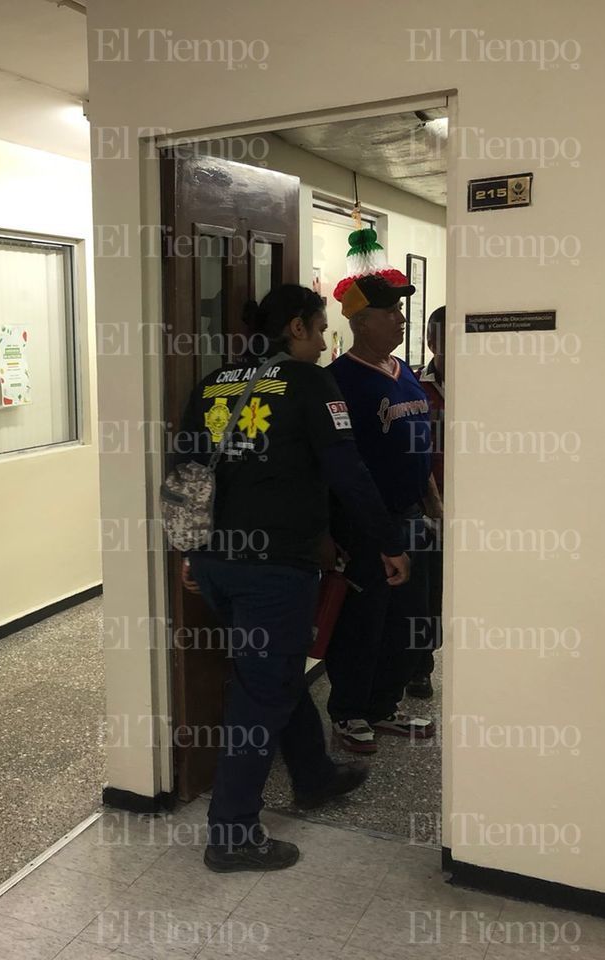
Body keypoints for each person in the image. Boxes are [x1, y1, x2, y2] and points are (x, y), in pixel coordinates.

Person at [174, 284, 410, 872]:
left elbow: (185, 468)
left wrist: (188, 550)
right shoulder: (310, 383)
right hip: (273, 569)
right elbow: (348, 473)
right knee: (261, 690)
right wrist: (387, 542)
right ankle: (232, 834)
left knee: (272, 673)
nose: (327, 337)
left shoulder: (213, 383)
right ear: (298, 329)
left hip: (215, 564)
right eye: (322, 325)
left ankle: (313, 775)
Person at [325, 274, 439, 753]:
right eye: (391, 311)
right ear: (360, 321)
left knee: (410, 619)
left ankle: (384, 706)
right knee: (363, 621)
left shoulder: (402, 370)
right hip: (367, 524)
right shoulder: (340, 380)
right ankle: (349, 712)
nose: (401, 318)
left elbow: (417, 446)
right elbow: (338, 464)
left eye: (400, 310)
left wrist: (433, 501)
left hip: (413, 517)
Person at [408, 306, 446, 698]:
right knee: (427, 596)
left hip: (486, 512)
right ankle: (421, 666)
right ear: (432, 343)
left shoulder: (490, 387)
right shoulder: (415, 389)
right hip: (430, 508)